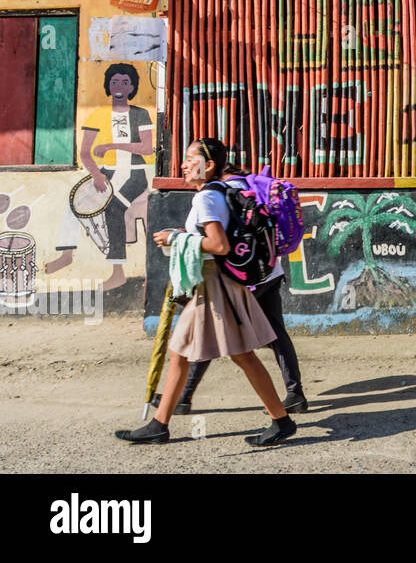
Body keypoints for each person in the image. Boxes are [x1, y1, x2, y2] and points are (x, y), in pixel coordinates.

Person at [114, 138, 296, 446]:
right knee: (183, 353)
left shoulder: (205, 199)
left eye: (189, 158)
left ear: (208, 165)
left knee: (238, 356)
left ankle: (281, 420)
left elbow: (218, 245)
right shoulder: (221, 192)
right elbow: (213, 238)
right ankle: (160, 424)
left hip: (215, 286)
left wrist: (176, 239)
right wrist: (185, 236)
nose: (183, 164)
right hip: (215, 284)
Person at [167, 162, 307, 415]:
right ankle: (294, 393)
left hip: (241, 276)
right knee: (275, 334)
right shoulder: (250, 186)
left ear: (213, 168)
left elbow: (222, 241)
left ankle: (184, 397)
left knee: (210, 333)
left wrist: (182, 238)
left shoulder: (220, 192)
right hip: (269, 270)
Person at [46, 63, 154, 290]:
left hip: (134, 175)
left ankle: (118, 272)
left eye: (125, 82)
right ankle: (67, 254)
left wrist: (112, 145)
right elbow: (85, 152)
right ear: (108, 85)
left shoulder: (140, 113)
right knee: (73, 201)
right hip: (107, 172)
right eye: (114, 81)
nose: (119, 86)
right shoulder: (98, 114)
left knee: (113, 208)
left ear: (132, 87)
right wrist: (96, 175)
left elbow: (146, 148)